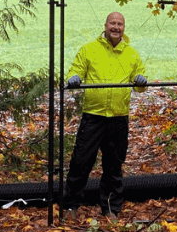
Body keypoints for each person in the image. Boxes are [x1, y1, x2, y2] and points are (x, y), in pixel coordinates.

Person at [62, 11, 147, 221]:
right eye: (113, 23)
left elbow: (140, 86)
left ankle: (110, 209)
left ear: (124, 28)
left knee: (113, 165)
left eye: (120, 24)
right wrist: (73, 78)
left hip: (118, 117)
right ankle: (71, 206)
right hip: (94, 115)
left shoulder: (131, 53)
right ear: (105, 25)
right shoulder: (89, 49)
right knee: (81, 162)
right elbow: (75, 71)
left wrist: (141, 81)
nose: (116, 27)